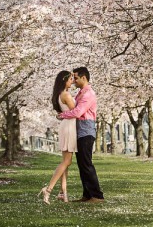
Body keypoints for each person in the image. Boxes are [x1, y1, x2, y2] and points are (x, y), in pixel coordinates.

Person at [57, 67, 104, 203]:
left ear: (84, 78)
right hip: (80, 132)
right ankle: (87, 195)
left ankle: (97, 196)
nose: (74, 81)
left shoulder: (88, 94)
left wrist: (62, 115)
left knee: (87, 164)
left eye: (76, 78)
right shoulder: (80, 94)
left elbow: (77, 112)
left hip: (86, 132)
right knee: (82, 165)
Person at [38, 71, 77, 204]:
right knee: (66, 162)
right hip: (69, 127)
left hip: (65, 126)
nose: (72, 81)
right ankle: (48, 189)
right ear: (64, 80)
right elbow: (76, 111)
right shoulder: (66, 94)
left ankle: (63, 193)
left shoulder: (60, 94)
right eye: (70, 79)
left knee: (66, 162)